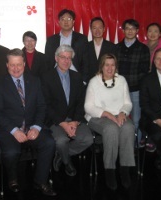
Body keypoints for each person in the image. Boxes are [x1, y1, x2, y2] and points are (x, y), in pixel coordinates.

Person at [0, 49, 56, 196]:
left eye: (19, 64)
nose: (16, 68)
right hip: (9, 128)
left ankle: (41, 181)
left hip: (32, 125)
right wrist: (14, 130)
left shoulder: (34, 81)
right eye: (12, 65)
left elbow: (41, 106)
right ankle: (12, 178)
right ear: (7, 65)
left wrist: (37, 127)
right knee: (12, 151)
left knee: (49, 143)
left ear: (24, 64)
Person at [85, 53, 135, 190]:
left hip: (118, 115)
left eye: (112, 65)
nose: (109, 68)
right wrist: (106, 114)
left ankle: (125, 168)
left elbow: (128, 103)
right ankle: (110, 170)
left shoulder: (121, 80)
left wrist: (122, 113)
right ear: (102, 66)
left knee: (129, 128)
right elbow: (88, 107)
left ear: (116, 67)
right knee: (111, 129)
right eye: (107, 65)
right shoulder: (94, 81)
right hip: (98, 116)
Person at [41, 45, 93, 177]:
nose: (66, 61)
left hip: (74, 118)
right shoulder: (46, 77)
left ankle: (62, 153)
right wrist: (62, 123)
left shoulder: (77, 76)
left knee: (88, 139)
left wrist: (75, 122)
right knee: (61, 140)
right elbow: (46, 105)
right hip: (55, 120)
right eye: (63, 57)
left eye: (69, 58)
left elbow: (81, 102)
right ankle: (66, 161)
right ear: (56, 58)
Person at [115, 19, 150, 145]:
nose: (130, 31)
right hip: (118, 91)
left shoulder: (143, 48)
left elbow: (144, 71)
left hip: (136, 90)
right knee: (119, 118)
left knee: (136, 119)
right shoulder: (117, 47)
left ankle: (135, 145)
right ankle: (121, 143)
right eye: (127, 28)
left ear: (137, 31)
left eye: (133, 28)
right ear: (123, 30)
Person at [142, 22, 161, 152]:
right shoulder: (143, 45)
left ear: (160, 34)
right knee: (145, 109)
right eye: (150, 31)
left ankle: (153, 138)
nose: (152, 34)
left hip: (158, 82)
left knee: (155, 108)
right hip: (145, 81)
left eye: (155, 31)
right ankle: (145, 135)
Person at [45, 9, 89, 83]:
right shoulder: (51, 40)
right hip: (56, 78)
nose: (66, 22)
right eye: (63, 19)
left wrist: (84, 80)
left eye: (69, 19)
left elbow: (86, 61)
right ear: (59, 21)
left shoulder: (82, 39)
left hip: (76, 76)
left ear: (73, 22)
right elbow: (47, 62)